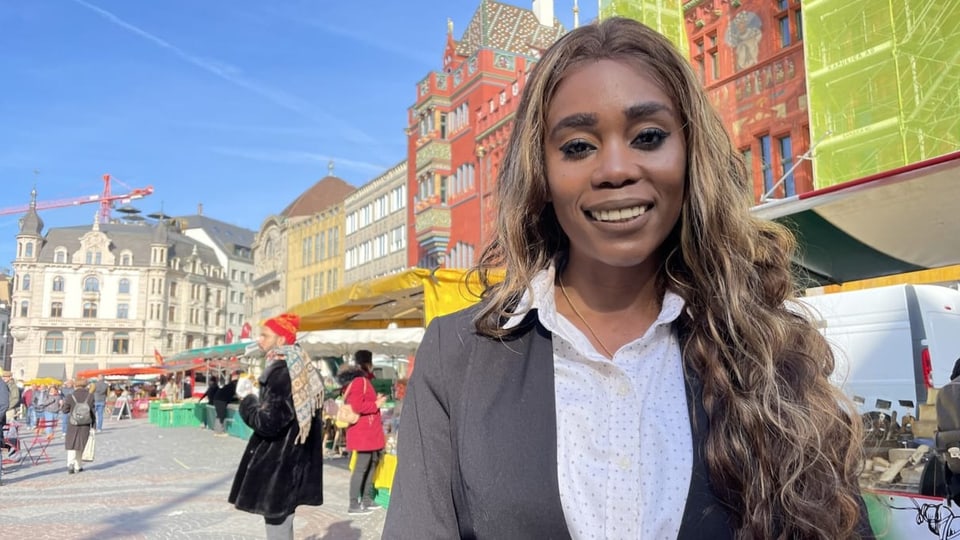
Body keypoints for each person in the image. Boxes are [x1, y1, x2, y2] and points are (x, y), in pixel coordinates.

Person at [384, 18, 872, 540]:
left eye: (648, 136)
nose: (615, 168)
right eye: (577, 146)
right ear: (541, 174)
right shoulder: (457, 358)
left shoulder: (764, 346)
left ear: (689, 156)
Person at [228, 313, 324, 540]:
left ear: (281, 340)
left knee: (277, 526)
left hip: (278, 465)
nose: (260, 340)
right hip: (296, 461)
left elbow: (269, 423)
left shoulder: (281, 373)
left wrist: (248, 401)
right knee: (283, 522)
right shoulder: (303, 367)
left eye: (265, 335)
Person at [339, 351, 387, 514]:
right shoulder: (360, 381)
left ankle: (367, 499)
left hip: (369, 432)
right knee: (361, 467)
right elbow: (357, 406)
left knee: (371, 464)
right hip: (363, 432)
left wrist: (375, 400)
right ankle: (353, 504)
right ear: (367, 363)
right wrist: (376, 404)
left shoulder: (364, 380)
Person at [61, 378, 95, 474]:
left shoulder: (70, 396)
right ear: (86, 385)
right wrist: (94, 425)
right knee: (81, 444)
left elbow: (65, 410)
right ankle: (78, 465)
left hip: (73, 423)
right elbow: (92, 411)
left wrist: (63, 405)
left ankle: (70, 463)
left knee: (72, 444)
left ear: (75, 385)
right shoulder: (90, 396)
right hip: (85, 423)